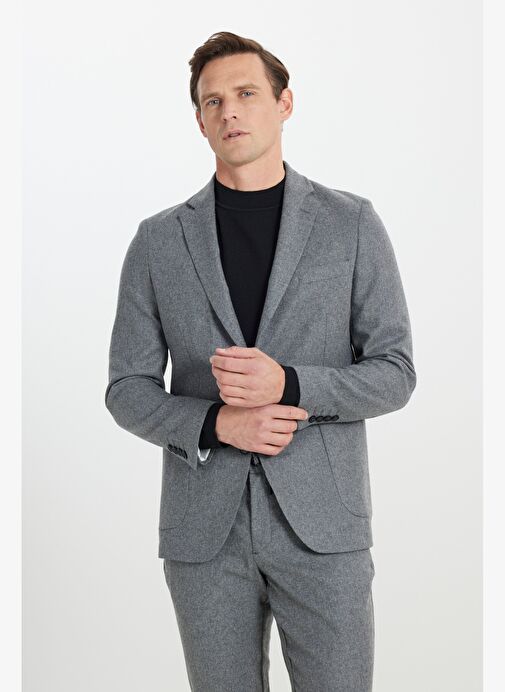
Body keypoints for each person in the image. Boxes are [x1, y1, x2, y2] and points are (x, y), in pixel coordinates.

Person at [105, 30, 416, 692]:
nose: (230, 112)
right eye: (212, 101)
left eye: (246, 93)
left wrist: (290, 384)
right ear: (199, 120)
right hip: (204, 533)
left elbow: (394, 372)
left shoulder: (351, 224)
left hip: (323, 528)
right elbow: (127, 387)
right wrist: (217, 423)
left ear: (284, 103)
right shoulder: (158, 241)